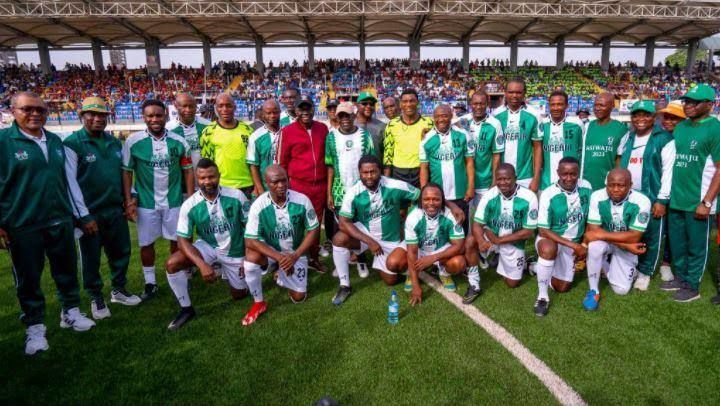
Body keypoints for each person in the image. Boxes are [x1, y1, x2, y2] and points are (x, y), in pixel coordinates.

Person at [1, 92, 94, 355]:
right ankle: (35, 326)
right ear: (13, 110)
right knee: (28, 278)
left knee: (66, 269)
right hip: (22, 223)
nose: (35, 114)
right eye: (27, 109)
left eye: (40, 110)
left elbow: (68, 182)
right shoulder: (4, 142)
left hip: (60, 219)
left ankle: (71, 312)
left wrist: (80, 215)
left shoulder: (54, 141)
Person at [64, 97, 141, 321]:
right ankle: (95, 296)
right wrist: (83, 215)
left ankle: (118, 289)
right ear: (82, 116)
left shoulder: (115, 142)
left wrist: (131, 198)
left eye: (102, 115)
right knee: (91, 258)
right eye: (92, 114)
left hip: (114, 209)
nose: (97, 119)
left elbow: (125, 173)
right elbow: (70, 183)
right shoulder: (72, 143)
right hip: (89, 213)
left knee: (121, 252)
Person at [164, 158, 251, 330]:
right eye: (202, 178)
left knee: (239, 296)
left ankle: (228, 271)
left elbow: (250, 229)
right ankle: (186, 309)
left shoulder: (236, 196)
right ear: (197, 179)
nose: (207, 182)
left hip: (234, 250)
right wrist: (201, 265)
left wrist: (247, 258)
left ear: (219, 176)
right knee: (172, 264)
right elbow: (182, 240)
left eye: (211, 177)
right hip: (208, 246)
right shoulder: (189, 205)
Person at [122, 99, 194, 302]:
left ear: (165, 116)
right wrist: (129, 201)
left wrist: (189, 199)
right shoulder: (133, 142)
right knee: (146, 244)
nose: (154, 119)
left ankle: (178, 274)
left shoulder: (179, 142)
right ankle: (150, 282)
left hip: (174, 201)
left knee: (177, 240)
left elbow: (188, 172)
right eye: (150, 116)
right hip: (146, 203)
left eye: (158, 115)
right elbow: (127, 173)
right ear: (144, 118)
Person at [331, 155, 419, 305]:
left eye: (373, 172)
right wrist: (369, 241)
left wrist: (410, 218)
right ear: (359, 173)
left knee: (391, 279)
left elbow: (421, 195)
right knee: (339, 239)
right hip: (368, 233)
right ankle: (344, 285)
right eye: (365, 172)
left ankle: (408, 263)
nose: (369, 176)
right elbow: (343, 223)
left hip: (391, 238)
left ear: (380, 171)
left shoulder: (394, 185)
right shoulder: (353, 192)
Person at [243, 165, 320, 324]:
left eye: (284, 181)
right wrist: (279, 258)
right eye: (275, 182)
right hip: (272, 253)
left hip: (295, 252)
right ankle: (258, 302)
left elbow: (313, 230)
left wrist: (295, 256)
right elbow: (250, 240)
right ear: (266, 183)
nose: (281, 185)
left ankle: (280, 273)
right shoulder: (258, 205)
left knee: (299, 298)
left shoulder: (302, 200)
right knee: (251, 258)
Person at [664, 84, 720, 303]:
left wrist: (706, 202)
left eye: (694, 102)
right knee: (678, 244)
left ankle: (693, 286)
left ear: (709, 104)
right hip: (678, 198)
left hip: (699, 201)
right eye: (686, 101)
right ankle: (681, 278)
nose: (688, 106)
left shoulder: (715, 128)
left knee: (697, 246)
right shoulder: (682, 127)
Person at [619, 101, 675, 291]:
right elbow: (620, 161)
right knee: (632, 233)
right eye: (636, 115)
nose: (640, 119)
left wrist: (662, 200)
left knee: (652, 235)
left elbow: (668, 172)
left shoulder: (664, 138)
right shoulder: (628, 136)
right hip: (629, 196)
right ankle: (632, 265)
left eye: (645, 115)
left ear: (654, 117)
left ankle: (646, 272)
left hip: (652, 195)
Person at [583, 169, 651, 311]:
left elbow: (634, 236)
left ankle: (607, 266)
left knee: (621, 290)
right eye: (611, 185)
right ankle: (593, 291)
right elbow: (593, 230)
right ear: (606, 184)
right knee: (594, 246)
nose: (615, 189)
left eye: (621, 185)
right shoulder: (597, 196)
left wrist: (604, 237)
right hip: (620, 243)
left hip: (626, 243)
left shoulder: (642, 201)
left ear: (630, 185)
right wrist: (623, 244)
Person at [465, 164, 538, 294]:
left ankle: (526, 264)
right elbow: (477, 224)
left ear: (515, 178)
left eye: (507, 179)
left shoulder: (529, 197)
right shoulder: (489, 196)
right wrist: (481, 241)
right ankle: (474, 283)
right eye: (499, 179)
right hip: (491, 236)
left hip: (513, 241)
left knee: (512, 283)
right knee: (471, 240)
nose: (503, 183)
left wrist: (499, 241)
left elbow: (528, 232)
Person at [534, 157, 592, 316]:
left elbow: (590, 220)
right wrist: (575, 246)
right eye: (564, 174)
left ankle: (535, 267)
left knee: (562, 287)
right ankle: (542, 297)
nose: (569, 178)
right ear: (558, 173)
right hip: (552, 239)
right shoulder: (548, 194)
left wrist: (584, 244)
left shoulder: (587, 187)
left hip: (573, 244)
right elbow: (543, 230)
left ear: (578, 173)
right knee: (548, 249)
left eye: (573, 174)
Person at [278, 95, 329, 273]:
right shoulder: (287, 131)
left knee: (315, 223)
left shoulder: (322, 128)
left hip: (320, 185)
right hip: (299, 185)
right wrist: (284, 187)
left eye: (308, 108)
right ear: (296, 111)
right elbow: (281, 163)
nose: (305, 112)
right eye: (302, 109)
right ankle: (291, 258)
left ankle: (313, 258)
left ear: (313, 109)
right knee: (296, 223)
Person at [325, 102, 375, 272]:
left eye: (348, 115)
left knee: (359, 226)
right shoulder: (331, 137)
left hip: (361, 190)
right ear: (337, 118)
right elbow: (330, 166)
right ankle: (343, 262)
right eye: (341, 116)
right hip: (339, 191)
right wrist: (329, 193)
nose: (345, 119)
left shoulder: (364, 136)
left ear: (354, 116)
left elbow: (371, 165)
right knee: (343, 228)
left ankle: (361, 260)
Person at [406, 183, 466, 306]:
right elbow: (411, 252)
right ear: (421, 200)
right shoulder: (413, 217)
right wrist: (416, 285)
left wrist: (432, 258)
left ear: (442, 200)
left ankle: (444, 273)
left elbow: (459, 245)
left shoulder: (451, 215)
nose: (431, 203)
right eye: (426, 199)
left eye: (436, 199)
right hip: (420, 250)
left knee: (459, 263)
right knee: (394, 262)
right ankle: (411, 274)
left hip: (441, 249)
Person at [419, 104, 474, 227]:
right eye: (437, 116)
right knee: (441, 229)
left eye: (444, 116)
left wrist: (470, 187)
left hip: (460, 193)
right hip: (438, 195)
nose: (441, 119)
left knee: (461, 228)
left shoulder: (463, 135)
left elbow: (469, 162)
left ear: (451, 116)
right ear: (433, 118)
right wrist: (424, 192)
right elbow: (424, 168)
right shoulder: (426, 139)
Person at [199, 93, 255, 197]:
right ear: (216, 108)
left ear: (234, 107)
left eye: (228, 105)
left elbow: (254, 161)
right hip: (222, 186)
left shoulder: (248, 130)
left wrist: (256, 186)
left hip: (248, 185)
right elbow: (206, 164)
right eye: (220, 106)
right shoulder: (208, 132)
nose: (225, 109)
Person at [493, 78, 542, 192]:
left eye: (518, 92)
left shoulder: (534, 115)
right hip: (501, 178)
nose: (514, 95)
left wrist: (536, 178)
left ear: (524, 93)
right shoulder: (496, 115)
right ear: (505, 93)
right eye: (511, 92)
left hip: (526, 177)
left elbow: (537, 148)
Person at [457, 90, 503, 209]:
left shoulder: (495, 124)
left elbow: (496, 155)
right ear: (470, 104)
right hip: (464, 182)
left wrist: (494, 181)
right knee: (465, 220)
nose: (478, 107)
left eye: (482, 104)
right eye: (475, 103)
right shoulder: (462, 122)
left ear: (487, 104)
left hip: (485, 181)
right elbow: (443, 126)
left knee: (485, 220)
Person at [656, 99, 686, 281]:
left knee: (674, 230)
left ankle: (667, 263)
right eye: (666, 117)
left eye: (674, 118)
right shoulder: (660, 136)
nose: (668, 121)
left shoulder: (686, 138)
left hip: (681, 191)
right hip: (661, 189)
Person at [383, 89, 434, 187]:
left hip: (421, 171)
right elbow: (388, 154)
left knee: (421, 201)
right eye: (405, 101)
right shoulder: (392, 125)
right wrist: (386, 180)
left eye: (412, 101)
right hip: (398, 173)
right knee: (400, 202)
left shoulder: (428, 123)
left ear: (417, 103)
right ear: (400, 104)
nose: (408, 104)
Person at [581, 92, 629, 191]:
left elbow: (619, 160)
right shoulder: (586, 126)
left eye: (601, 105)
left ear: (612, 106)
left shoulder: (621, 129)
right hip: (585, 183)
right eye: (595, 105)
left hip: (608, 184)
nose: (597, 108)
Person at [539, 90, 584, 190]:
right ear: (549, 106)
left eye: (560, 104)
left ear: (567, 106)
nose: (555, 108)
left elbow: (581, 152)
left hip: (571, 182)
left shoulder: (577, 124)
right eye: (553, 104)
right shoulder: (542, 124)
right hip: (546, 182)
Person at [166, 93, 211, 170]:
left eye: (191, 106)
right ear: (176, 106)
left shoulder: (207, 126)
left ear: (196, 107)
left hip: (204, 176)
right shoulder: (168, 129)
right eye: (184, 106)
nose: (188, 110)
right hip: (181, 177)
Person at [247, 99, 282, 197]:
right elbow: (254, 166)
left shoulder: (288, 132)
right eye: (268, 113)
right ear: (262, 115)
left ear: (280, 112)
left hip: (286, 186)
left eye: (275, 112)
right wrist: (260, 189)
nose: (272, 116)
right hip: (266, 187)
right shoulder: (255, 137)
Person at [355, 91, 386, 162]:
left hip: (376, 170)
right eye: (364, 103)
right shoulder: (350, 125)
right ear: (357, 105)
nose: (368, 106)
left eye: (371, 104)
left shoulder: (382, 126)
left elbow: (385, 152)